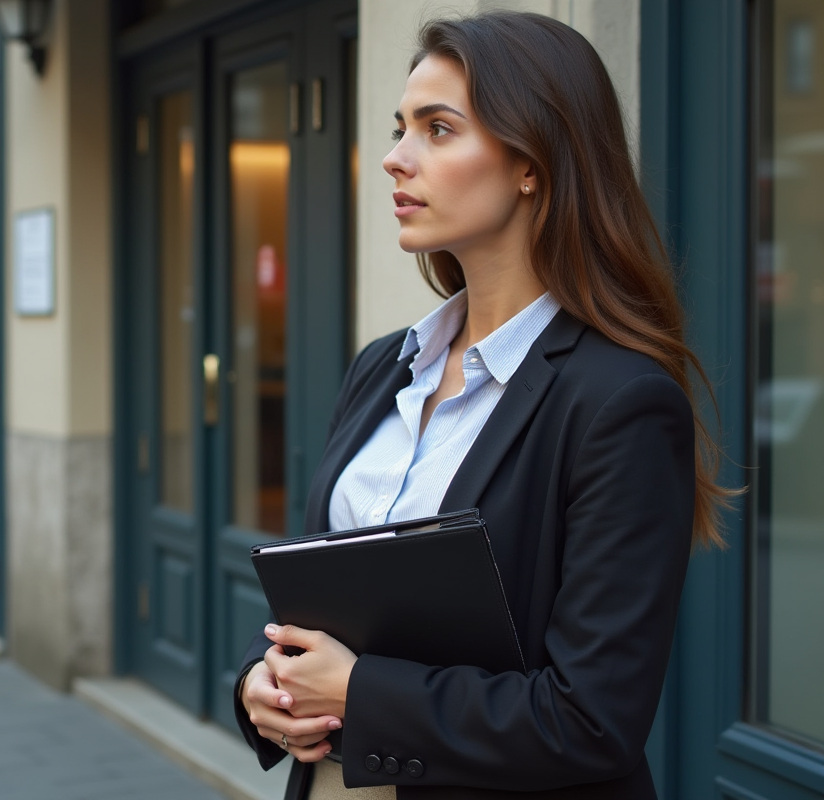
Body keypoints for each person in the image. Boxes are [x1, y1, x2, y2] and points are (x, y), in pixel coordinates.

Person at [232, 11, 733, 800]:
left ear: (532, 162)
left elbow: (591, 720)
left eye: (437, 129)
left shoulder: (620, 402)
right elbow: (333, 610)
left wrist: (360, 693)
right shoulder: (384, 367)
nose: (395, 158)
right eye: (399, 128)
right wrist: (262, 686)